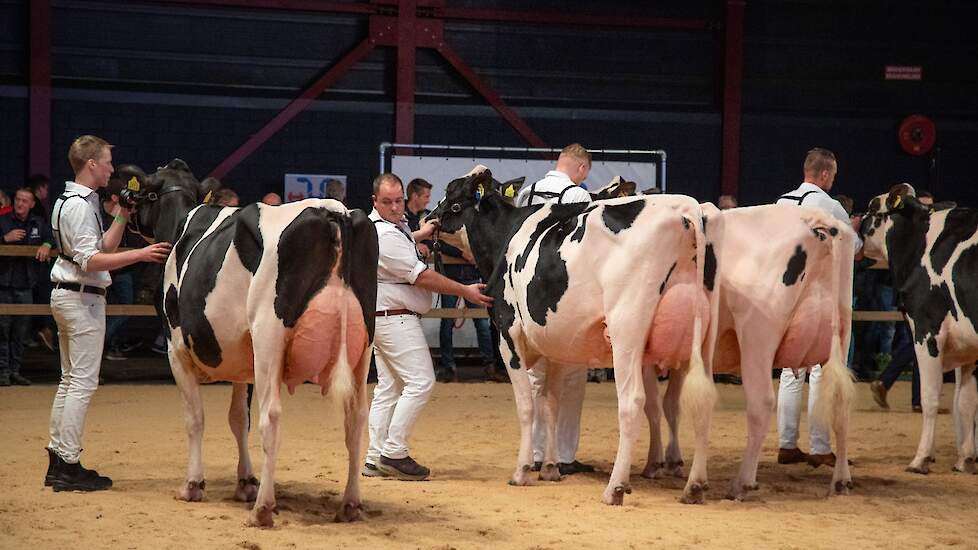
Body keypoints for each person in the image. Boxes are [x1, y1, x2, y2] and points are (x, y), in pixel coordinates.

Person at [45, 135, 171, 492]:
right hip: (80, 298)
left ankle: (58, 459)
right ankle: (68, 464)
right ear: (91, 165)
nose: (112, 169)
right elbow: (92, 260)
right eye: (107, 162)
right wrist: (141, 256)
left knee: (70, 381)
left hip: (72, 296)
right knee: (82, 382)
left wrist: (122, 216)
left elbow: (102, 247)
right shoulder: (79, 206)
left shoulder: (72, 201)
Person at [364, 173, 492, 481]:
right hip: (395, 318)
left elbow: (405, 240)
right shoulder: (385, 236)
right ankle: (394, 453)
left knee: (389, 388)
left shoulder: (387, 228)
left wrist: (422, 233)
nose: (396, 208)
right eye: (388, 202)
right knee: (421, 381)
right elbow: (421, 276)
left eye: (398, 201)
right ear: (374, 202)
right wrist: (466, 290)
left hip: (384, 317)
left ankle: (374, 457)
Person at [774, 147, 862, 468]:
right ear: (824, 174)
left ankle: (786, 444)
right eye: (833, 175)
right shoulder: (829, 205)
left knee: (789, 370)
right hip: (818, 296)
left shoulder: (781, 202)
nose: (832, 180)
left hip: (784, 297)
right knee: (820, 369)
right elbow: (854, 247)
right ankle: (821, 446)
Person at [515, 143, 595, 475]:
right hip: (565, 296)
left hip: (528, 295)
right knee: (571, 376)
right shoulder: (579, 198)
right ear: (581, 169)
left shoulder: (526, 194)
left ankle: (533, 452)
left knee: (534, 377)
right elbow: (587, 249)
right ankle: (562, 454)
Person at [870, 190, 949, 414]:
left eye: (929, 209)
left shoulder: (926, 238)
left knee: (918, 344)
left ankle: (889, 384)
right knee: (920, 344)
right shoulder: (910, 238)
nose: (925, 213)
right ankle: (910, 396)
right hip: (913, 297)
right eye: (921, 207)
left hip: (924, 298)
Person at [434, 229, 504, 383]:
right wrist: (463, 254)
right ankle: (487, 367)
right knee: (475, 324)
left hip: (455, 277)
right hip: (457, 277)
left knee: (472, 324)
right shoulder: (460, 221)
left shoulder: (448, 223)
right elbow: (437, 243)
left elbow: (438, 242)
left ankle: (451, 368)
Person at [0, 187, 54, 386]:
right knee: (2, 330)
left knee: (20, 332)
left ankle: (15, 370)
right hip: (3, 285)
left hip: (26, 286)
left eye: (25, 201)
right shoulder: (3, 222)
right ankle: (3, 372)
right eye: (18, 200)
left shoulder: (38, 224)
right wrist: (5, 239)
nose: (20, 204)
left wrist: (47, 245)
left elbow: (52, 237)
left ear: (32, 204)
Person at [99, 171, 145, 361]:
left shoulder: (126, 216)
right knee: (102, 311)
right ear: (116, 197)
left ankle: (107, 344)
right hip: (101, 269)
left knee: (125, 309)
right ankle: (102, 344)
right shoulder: (98, 214)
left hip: (123, 270)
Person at [404, 178, 433, 258]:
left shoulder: (428, 216)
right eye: (426, 197)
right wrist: (415, 246)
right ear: (415, 196)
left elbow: (437, 238)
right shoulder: (397, 215)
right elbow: (394, 238)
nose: (428, 201)